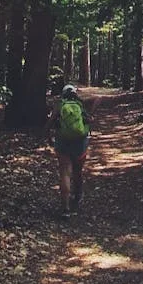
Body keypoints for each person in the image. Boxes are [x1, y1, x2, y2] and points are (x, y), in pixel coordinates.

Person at [50, 84, 91, 216]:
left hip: (62, 142)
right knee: (78, 171)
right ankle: (77, 197)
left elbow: (50, 123)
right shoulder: (80, 104)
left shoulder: (60, 105)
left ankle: (65, 208)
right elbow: (88, 121)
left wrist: (47, 136)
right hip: (80, 143)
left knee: (65, 173)